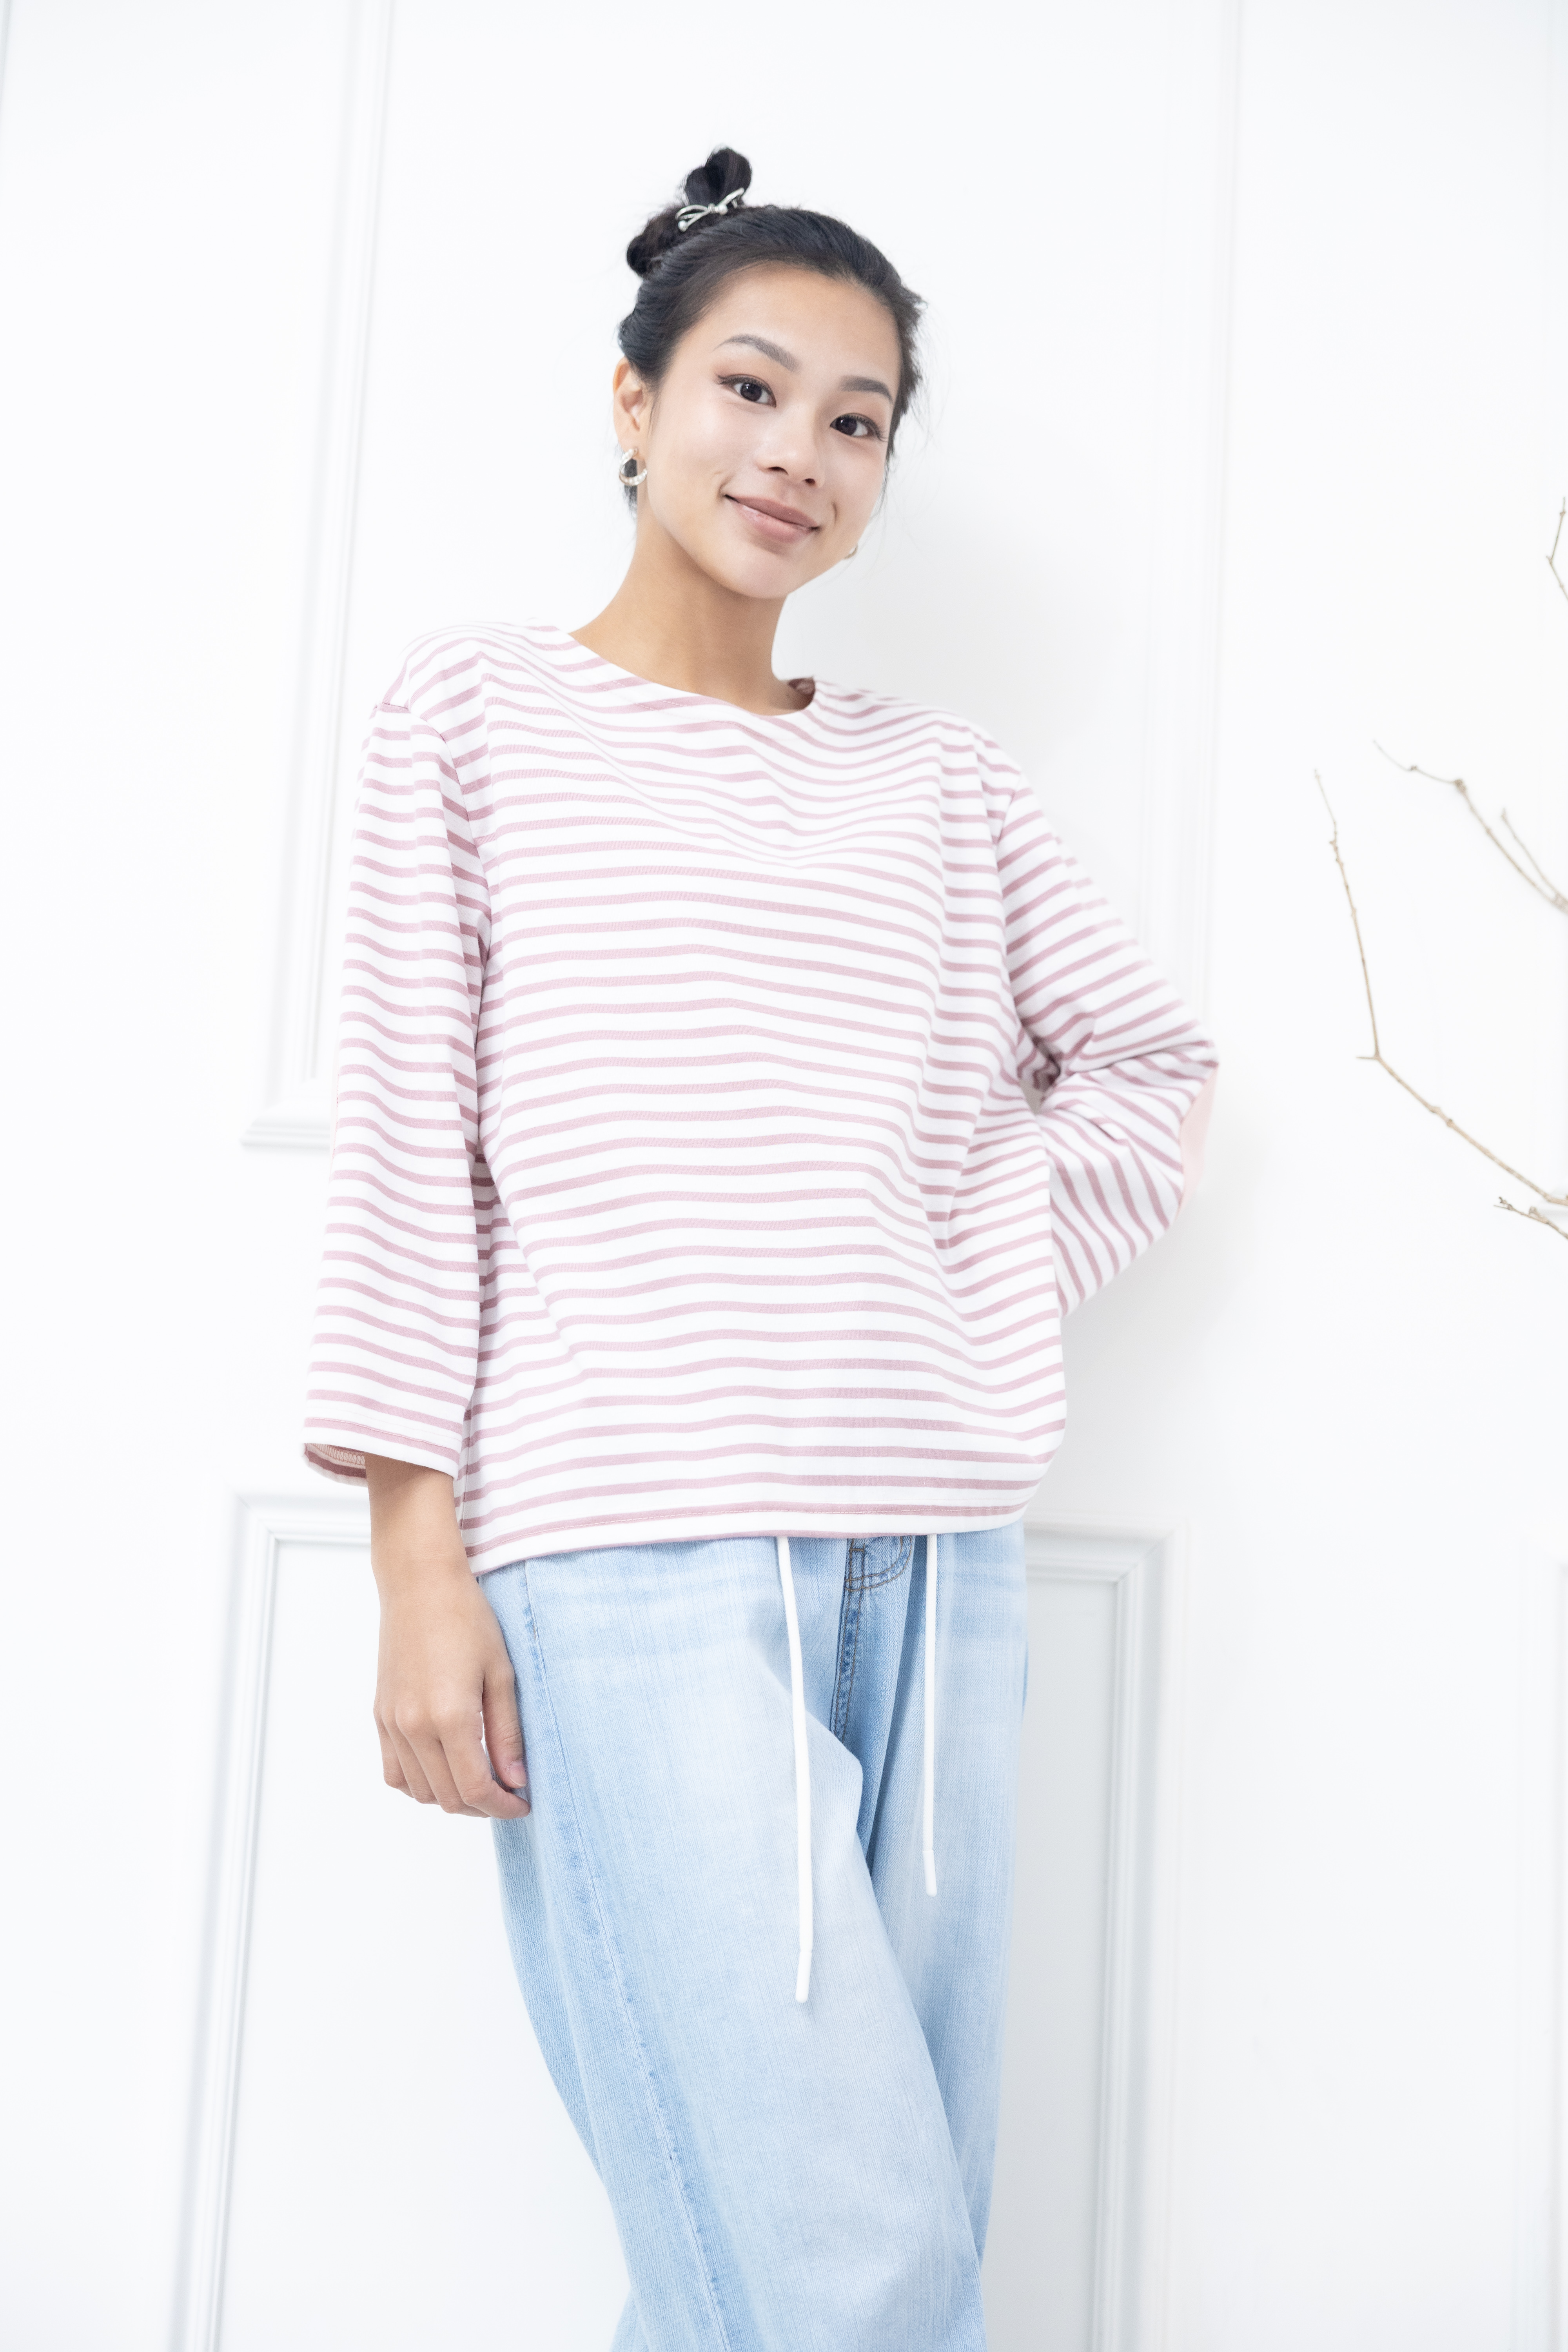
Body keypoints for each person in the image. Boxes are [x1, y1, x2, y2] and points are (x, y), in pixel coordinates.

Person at [304, 147, 1218, 2352]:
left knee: (832, 2259)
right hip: (633, 1564)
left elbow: (1150, 1068)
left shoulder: (945, 785)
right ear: (635, 402)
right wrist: (417, 1566)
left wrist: (954, 1275)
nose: (799, 450)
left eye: (857, 418)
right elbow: (409, 1144)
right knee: (847, 2277)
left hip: (940, 1566)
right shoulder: (473, 716)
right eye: (750, 386)